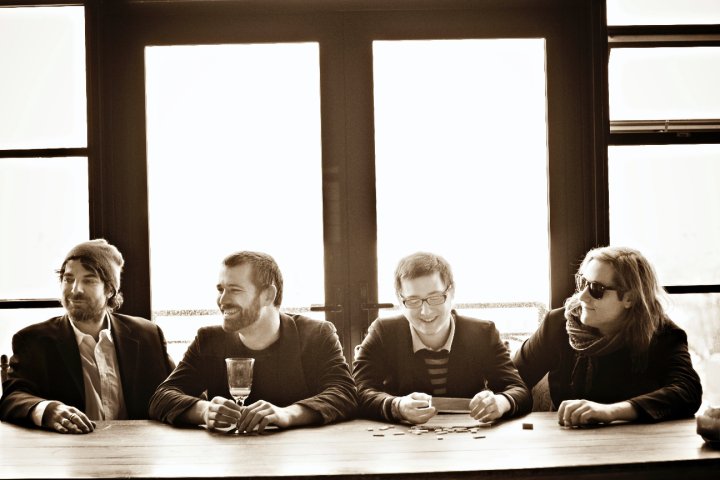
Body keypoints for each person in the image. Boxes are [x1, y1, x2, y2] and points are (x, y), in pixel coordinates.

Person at [149, 251, 357, 433]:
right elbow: (162, 397)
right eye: (221, 289)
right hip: (228, 459)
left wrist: (287, 414)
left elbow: (344, 393)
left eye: (234, 290)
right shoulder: (209, 340)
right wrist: (204, 411)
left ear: (268, 295)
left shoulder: (317, 334)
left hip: (302, 458)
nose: (222, 301)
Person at [513, 245, 703, 427]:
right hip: (567, 438)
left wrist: (611, 412)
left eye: (596, 289)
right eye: (582, 283)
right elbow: (513, 380)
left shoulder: (661, 334)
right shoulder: (557, 324)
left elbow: (687, 391)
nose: (582, 296)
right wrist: (500, 402)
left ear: (629, 298)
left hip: (638, 442)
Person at [0, 239, 175, 433]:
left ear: (110, 289)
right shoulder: (33, 340)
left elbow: (175, 391)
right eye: (68, 279)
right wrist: (47, 409)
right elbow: (12, 398)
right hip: (69, 448)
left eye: (89, 280)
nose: (75, 290)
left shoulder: (147, 335)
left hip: (139, 447)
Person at [353, 252, 531, 424]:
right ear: (400, 301)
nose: (425, 311)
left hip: (471, 435)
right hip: (400, 437)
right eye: (413, 301)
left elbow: (519, 390)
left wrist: (501, 402)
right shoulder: (383, 332)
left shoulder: (483, 333)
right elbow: (358, 390)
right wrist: (396, 406)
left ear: (451, 292)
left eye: (435, 298)